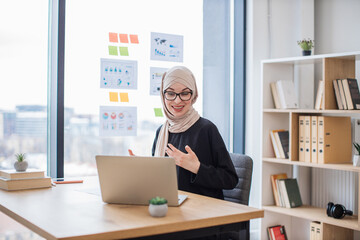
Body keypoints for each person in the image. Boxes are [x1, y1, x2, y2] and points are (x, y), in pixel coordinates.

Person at [150, 66, 238, 200]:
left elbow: (230, 179)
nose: (177, 100)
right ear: (163, 96)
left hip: (202, 212)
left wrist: (196, 167)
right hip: (170, 206)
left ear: (194, 95)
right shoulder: (162, 131)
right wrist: (142, 170)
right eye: (170, 93)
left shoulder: (206, 129)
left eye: (184, 93)